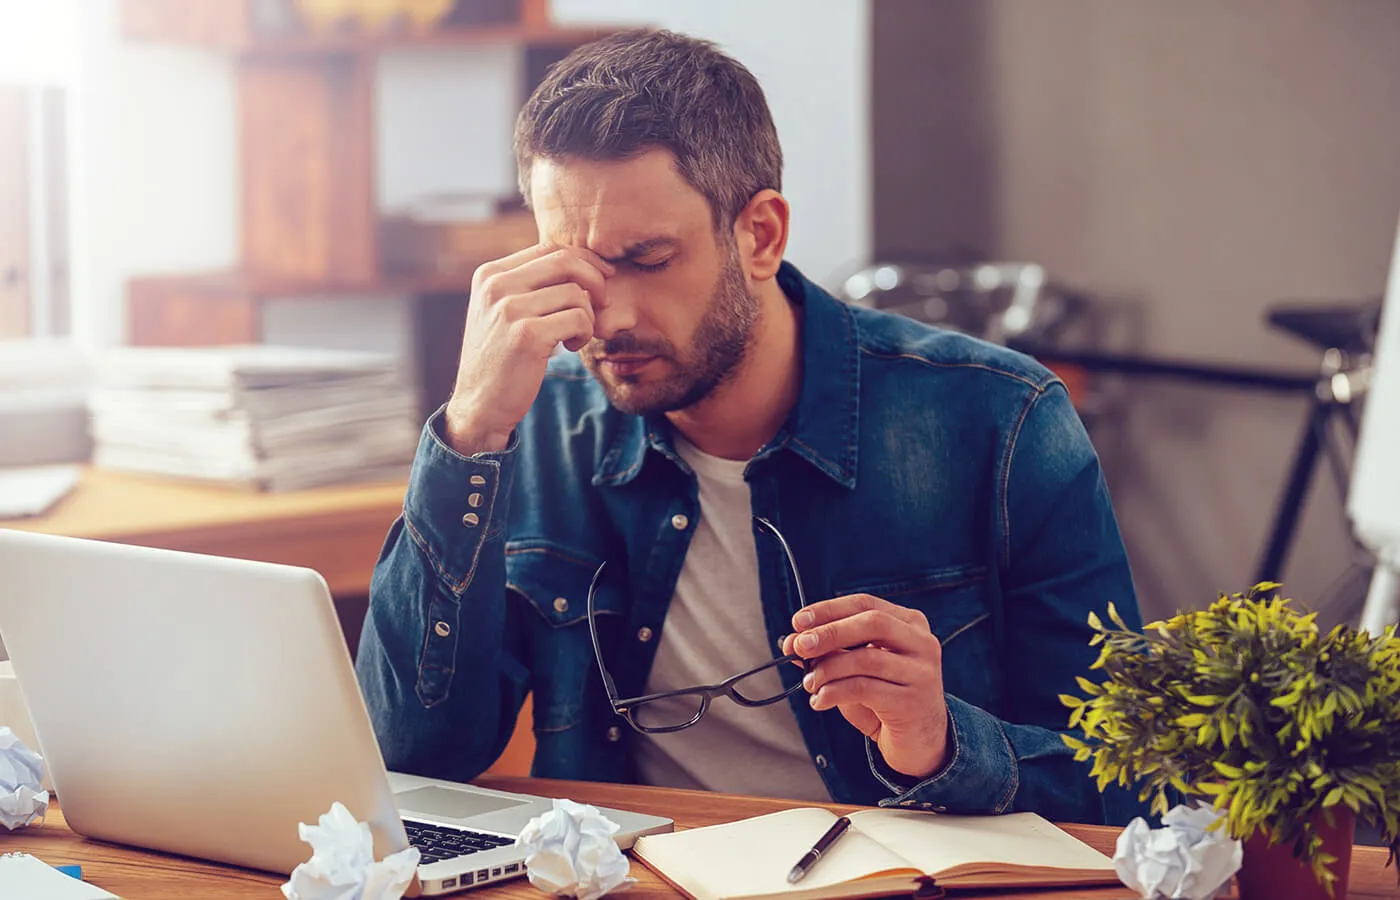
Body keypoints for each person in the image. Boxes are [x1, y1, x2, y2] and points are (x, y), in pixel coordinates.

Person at [356, 28, 1144, 824]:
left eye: (649, 258)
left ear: (760, 235)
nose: (610, 316)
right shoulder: (538, 420)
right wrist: (470, 433)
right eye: (578, 265)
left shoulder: (1002, 420)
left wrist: (942, 743)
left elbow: (1131, 787)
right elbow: (412, 758)